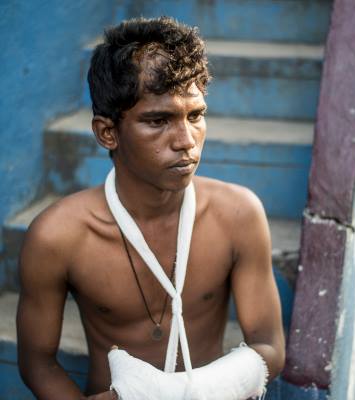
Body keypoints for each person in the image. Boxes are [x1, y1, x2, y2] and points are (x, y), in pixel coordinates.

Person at [16, 17, 285, 400]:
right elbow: (37, 363)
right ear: (107, 132)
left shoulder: (239, 214)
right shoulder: (58, 236)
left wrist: (189, 392)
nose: (186, 141)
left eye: (195, 115)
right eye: (158, 120)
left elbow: (269, 346)